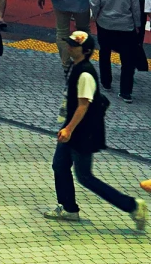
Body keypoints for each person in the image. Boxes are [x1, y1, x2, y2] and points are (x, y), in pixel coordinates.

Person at [45, 30, 150, 226]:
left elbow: (83, 105)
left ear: (84, 51)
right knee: (59, 165)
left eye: (73, 45)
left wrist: (68, 129)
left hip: (82, 133)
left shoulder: (85, 73)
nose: (69, 47)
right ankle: (69, 208)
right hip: (72, 130)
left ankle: (133, 206)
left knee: (85, 177)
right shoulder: (75, 67)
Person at [88, 0, 146, 99]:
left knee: (104, 51)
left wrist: (97, 16)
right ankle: (126, 91)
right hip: (125, 22)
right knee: (127, 57)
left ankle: (106, 82)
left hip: (105, 21)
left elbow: (94, 1)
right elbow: (135, 3)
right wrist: (137, 23)